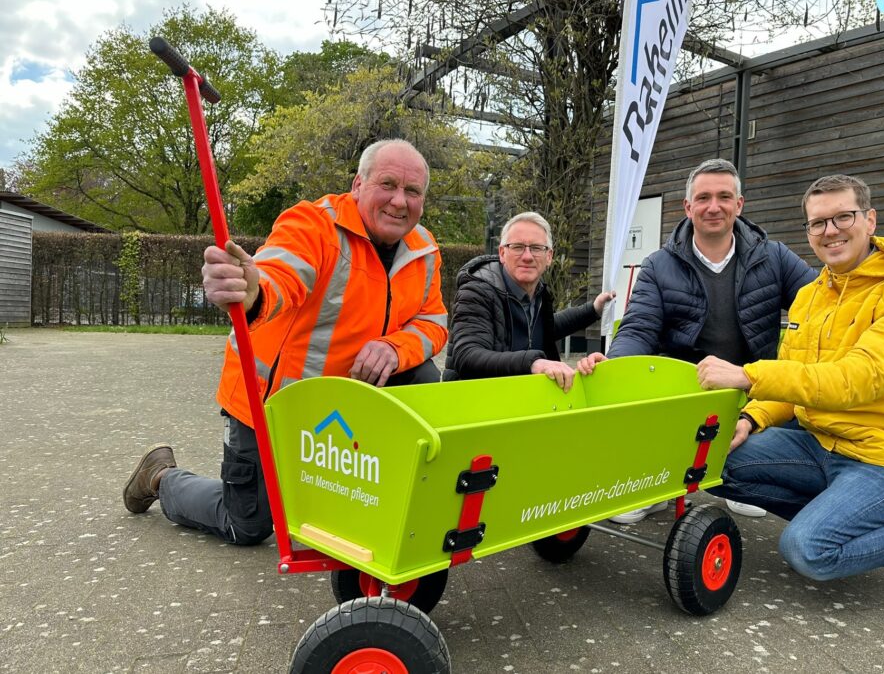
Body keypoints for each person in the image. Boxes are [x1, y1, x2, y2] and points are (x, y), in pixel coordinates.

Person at [122, 139, 448, 545]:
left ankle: (381, 497)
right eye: (388, 185)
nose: (400, 202)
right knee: (248, 525)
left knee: (421, 375)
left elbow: (433, 321)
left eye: (413, 191)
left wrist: (394, 348)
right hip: (271, 403)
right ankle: (160, 477)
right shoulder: (313, 224)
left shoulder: (424, 249)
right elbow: (278, 275)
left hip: (345, 409)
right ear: (358, 185)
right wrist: (252, 288)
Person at [695, 174, 884, 608]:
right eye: (818, 223)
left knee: (809, 550)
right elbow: (795, 378)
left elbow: (859, 378)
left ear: (869, 220)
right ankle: (840, 514)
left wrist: (747, 376)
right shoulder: (811, 295)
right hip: (822, 445)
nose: (830, 231)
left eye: (843, 217)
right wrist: (749, 417)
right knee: (712, 459)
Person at [578, 158, 816, 523]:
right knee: (645, 397)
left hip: (749, 386)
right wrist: (617, 366)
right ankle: (654, 485)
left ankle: (745, 479)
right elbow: (640, 328)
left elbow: (821, 304)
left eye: (724, 197)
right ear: (688, 208)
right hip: (684, 388)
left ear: (739, 205)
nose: (713, 206)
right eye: (703, 198)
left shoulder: (775, 256)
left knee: (760, 442)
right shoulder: (659, 265)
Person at [444, 211, 615, 391]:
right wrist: (534, 363)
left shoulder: (538, 291)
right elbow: (467, 356)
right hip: (474, 401)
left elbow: (546, 328)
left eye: (536, 248)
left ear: (549, 256)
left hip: (521, 398)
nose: (527, 256)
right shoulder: (477, 290)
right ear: (502, 253)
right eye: (517, 247)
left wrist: (594, 309)